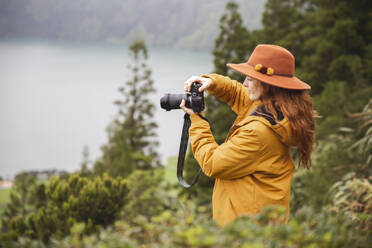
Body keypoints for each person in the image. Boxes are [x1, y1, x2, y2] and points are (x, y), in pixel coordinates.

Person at [180, 44, 316, 226]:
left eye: (251, 79)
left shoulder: (259, 132)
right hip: (259, 220)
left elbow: (213, 163)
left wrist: (197, 120)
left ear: (269, 85)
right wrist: (212, 83)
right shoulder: (279, 110)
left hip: (246, 229)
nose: (245, 83)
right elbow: (238, 94)